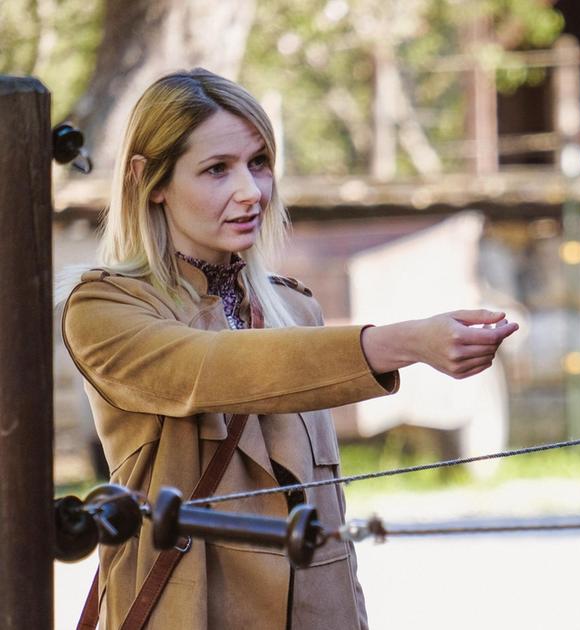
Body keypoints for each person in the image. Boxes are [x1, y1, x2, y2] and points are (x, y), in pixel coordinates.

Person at [60, 68, 518, 629]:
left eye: (259, 163)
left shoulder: (294, 308)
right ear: (149, 180)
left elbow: (329, 513)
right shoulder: (105, 308)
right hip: (190, 609)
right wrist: (401, 343)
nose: (251, 191)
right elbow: (211, 369)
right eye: (216, 170)